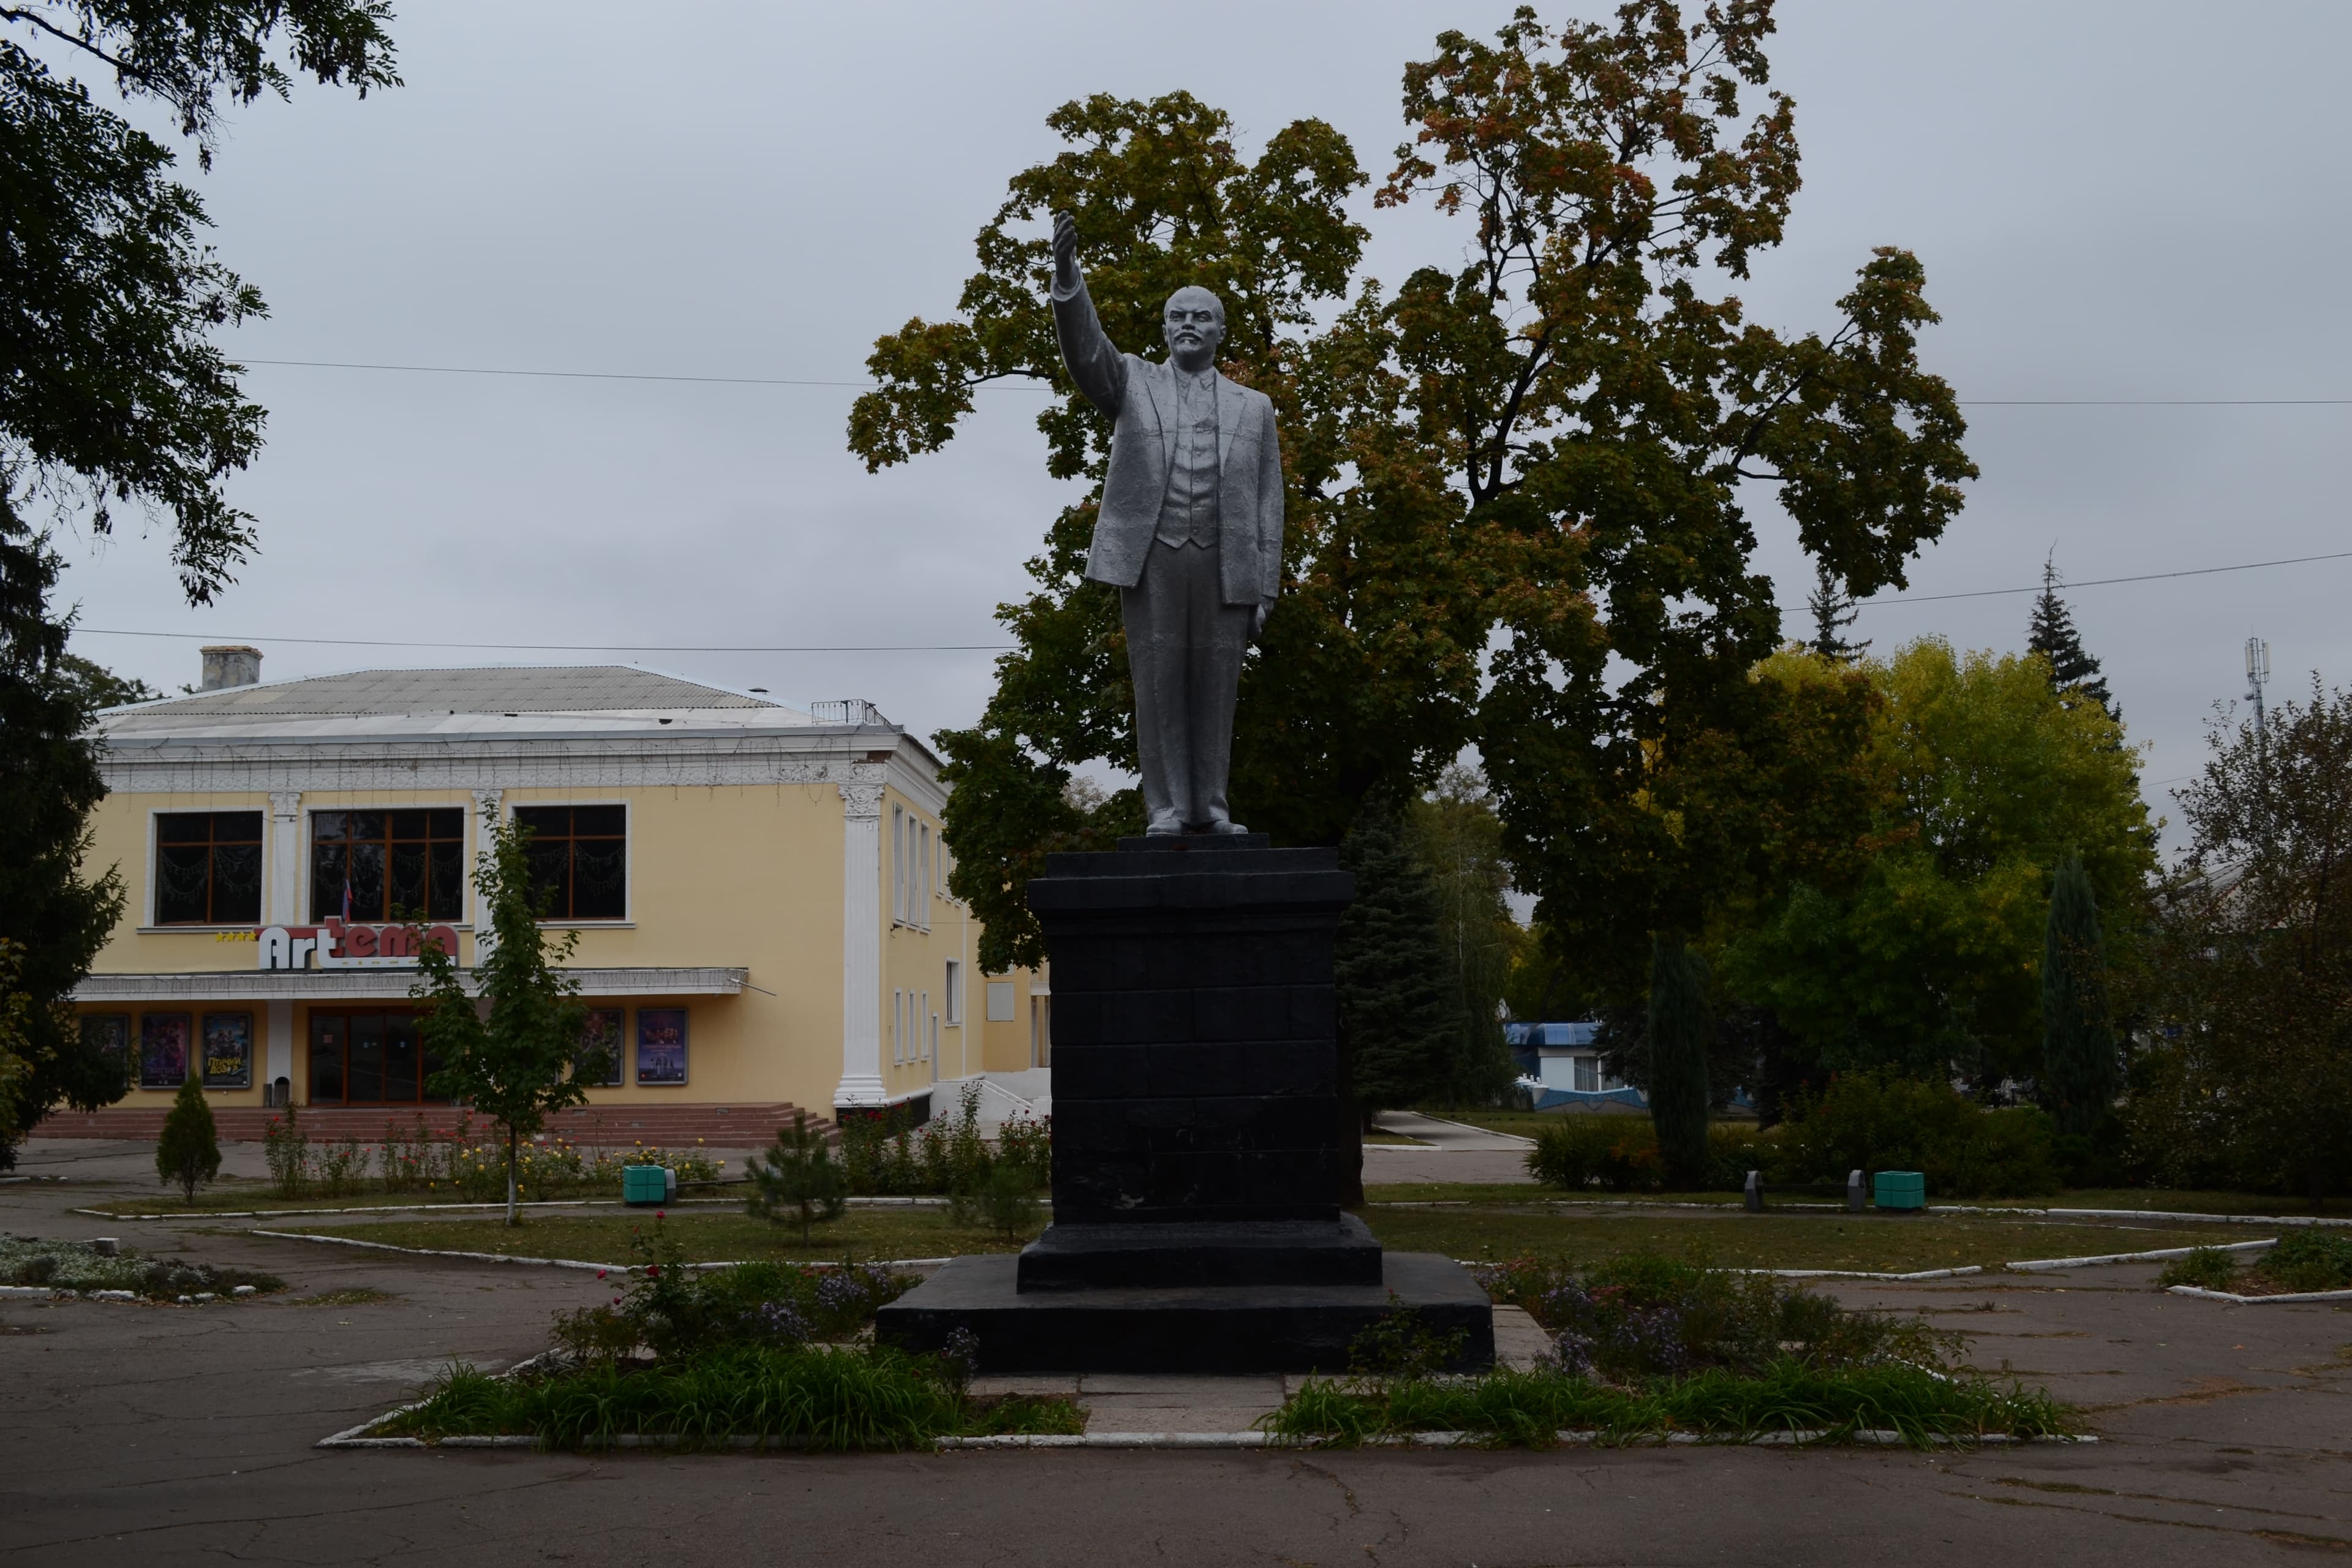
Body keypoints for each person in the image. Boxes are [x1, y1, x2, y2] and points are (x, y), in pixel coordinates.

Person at [1048, 210, 1283, 835]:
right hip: (1153, 557)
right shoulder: (1132, 381)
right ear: (1164, 329)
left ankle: (1212, 806)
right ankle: (1168, 809)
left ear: (1221, 331)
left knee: (1216, 689)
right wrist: (1069, 280)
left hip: (1225, 563)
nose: (1187, 325)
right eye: (1177, 316)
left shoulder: (1254, 408)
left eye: (1200, 316)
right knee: (1159, 685)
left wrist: (1266, 587)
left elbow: (1268, 502)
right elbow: (1086, 351)